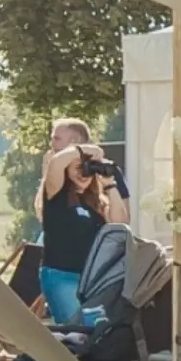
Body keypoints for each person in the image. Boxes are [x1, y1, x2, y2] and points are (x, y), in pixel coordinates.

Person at [35, 118, 128, 325]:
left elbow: (120, 224)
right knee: (76, 332)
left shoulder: (94, 201)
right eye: (78, 168)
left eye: (87, 169)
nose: (83, 173)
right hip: (61, 275)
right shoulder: (56, 194)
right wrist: (90, 150)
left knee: (93, 337)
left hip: (91, 279)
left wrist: (110, 185)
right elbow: (57, 162)